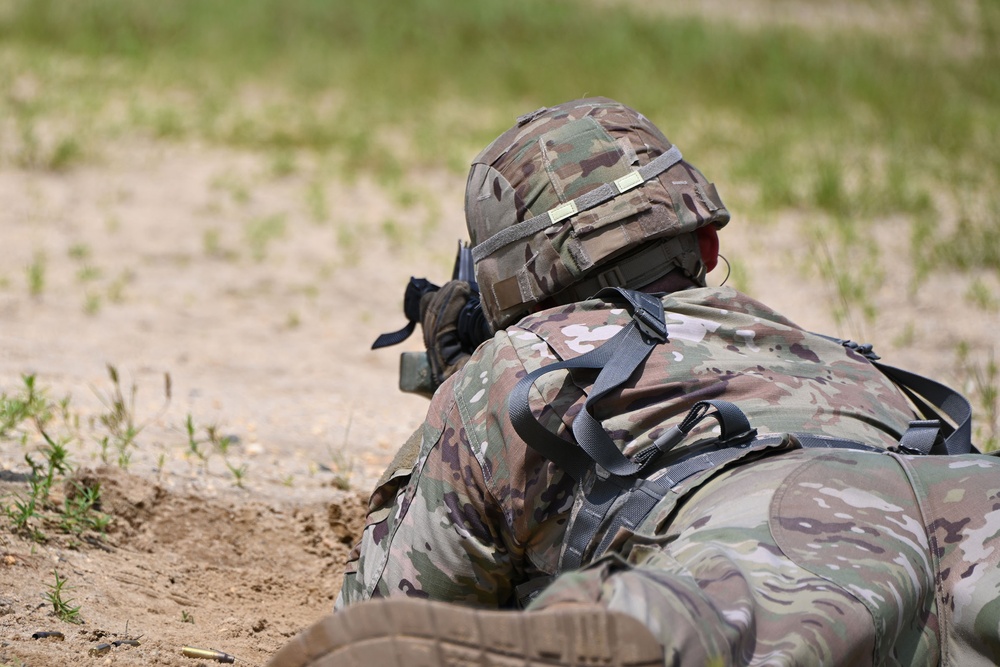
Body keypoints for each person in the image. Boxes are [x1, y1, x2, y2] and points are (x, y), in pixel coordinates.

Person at [268, 98, 1000, 667]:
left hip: (761, 527)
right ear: (707, 244)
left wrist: (455, 399)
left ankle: (645, 623)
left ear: (511, 288)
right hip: (967, 494)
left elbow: (386, 608)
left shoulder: (520, 362)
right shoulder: (831, 353)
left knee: (710, 619)